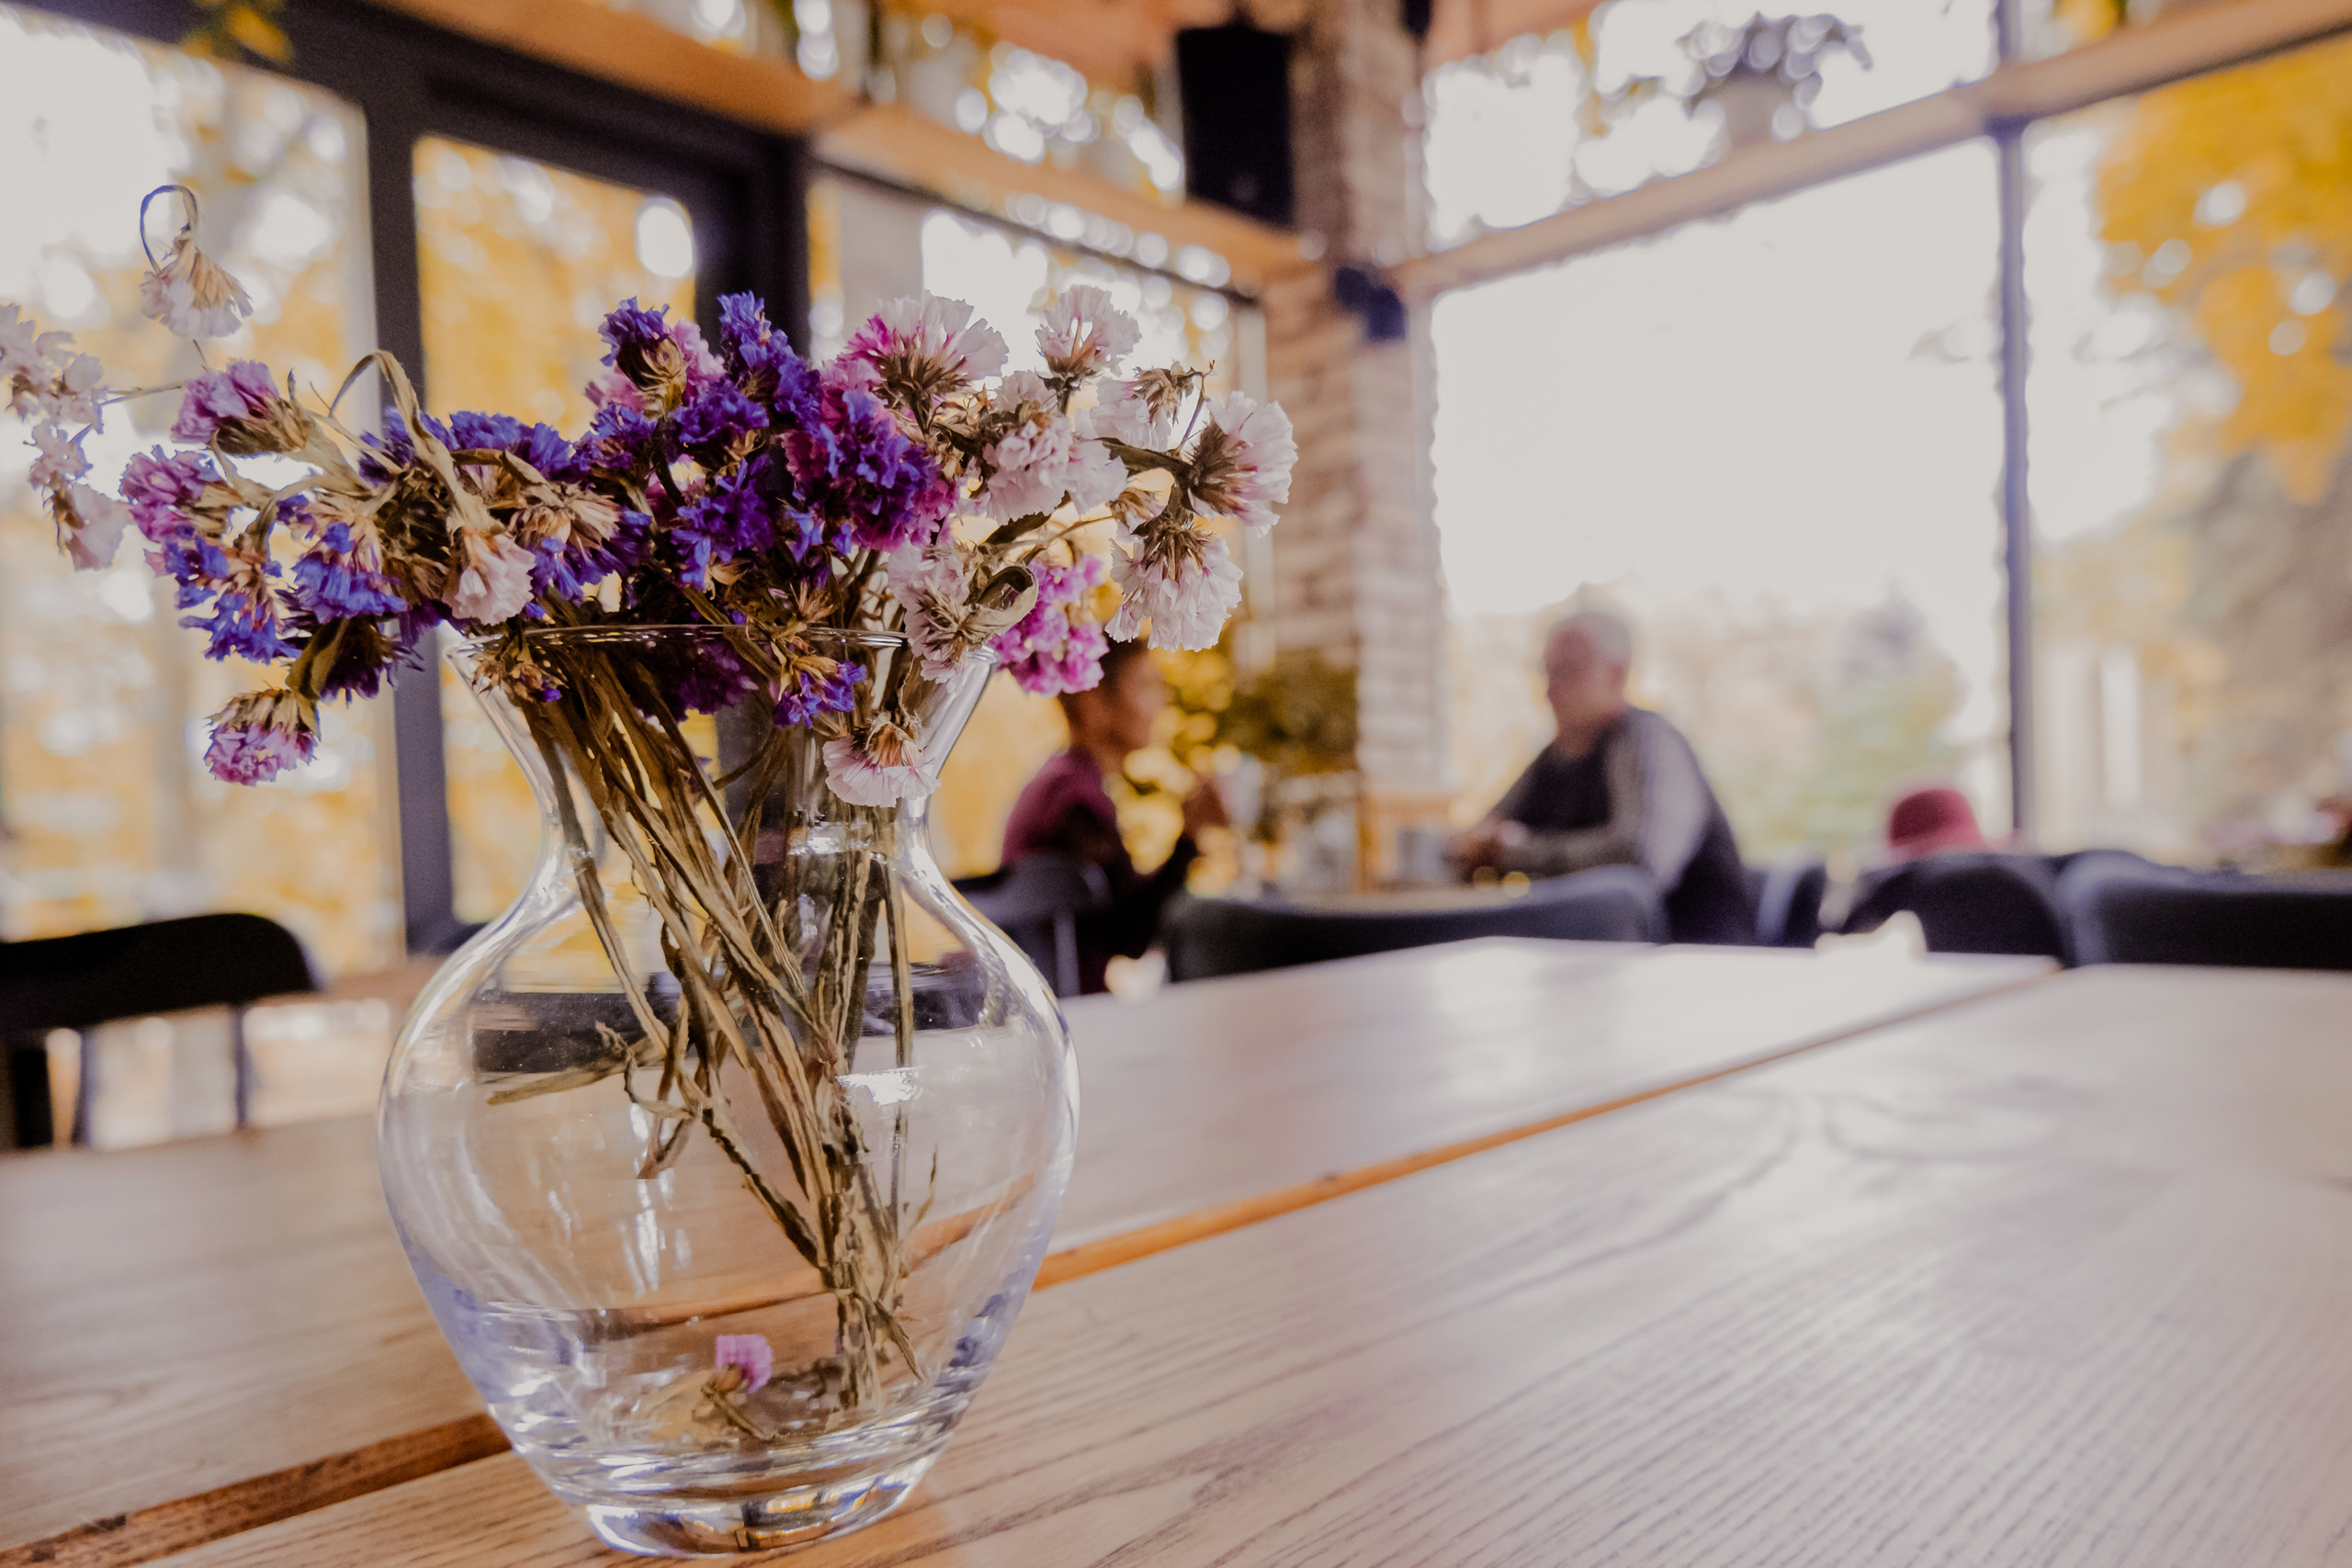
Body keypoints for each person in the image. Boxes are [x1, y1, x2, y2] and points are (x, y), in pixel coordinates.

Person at [1447, 607, 1754, 944]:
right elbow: (1481, 833)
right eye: (1547, 672)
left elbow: (1640, 859)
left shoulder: (1647, 740)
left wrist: (1514, 853)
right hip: (1593, 962)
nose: (1550, 689)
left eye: (1568, 670)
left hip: (1689, 959)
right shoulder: (1554, 757)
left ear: (1616, 673)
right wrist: (1474, 848)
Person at [1001, 640, 1227, 993]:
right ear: (1093, 704)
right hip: (1071, 1014)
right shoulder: (1073, 799)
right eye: (1145, 686)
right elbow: (1129, 935)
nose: (1161, 703)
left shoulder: (1066, 780)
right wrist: (1189, 838)